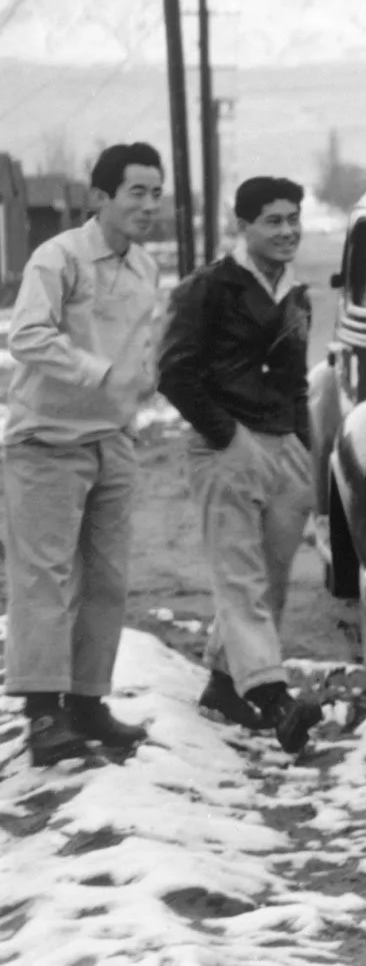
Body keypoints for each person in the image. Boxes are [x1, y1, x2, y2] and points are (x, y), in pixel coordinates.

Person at [2, 142, 167, 766]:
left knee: (106, 580)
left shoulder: (145, 269)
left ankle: (87, 702)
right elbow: (27, 336)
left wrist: (137, 389)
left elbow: (136, 351)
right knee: (43, 580)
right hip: (45, 443)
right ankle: (43, 716)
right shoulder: (59, 257)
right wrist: (99, 373)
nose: (149, 205)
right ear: (100, 197)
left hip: (111, 442)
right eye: (136, 192)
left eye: (156, 193)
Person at [157, 174, 323, 755]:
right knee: (241, 581)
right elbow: (173, 373)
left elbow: (298, 383)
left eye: (294, 219)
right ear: (242, 225)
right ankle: (276, 702)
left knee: (270, 582)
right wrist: (228, 435)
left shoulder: (297, 294)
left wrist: (303, 447)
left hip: (284, 450)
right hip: (226, 447)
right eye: (273, 221)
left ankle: (224, 688)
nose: (288, 231)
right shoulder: (208, 288)